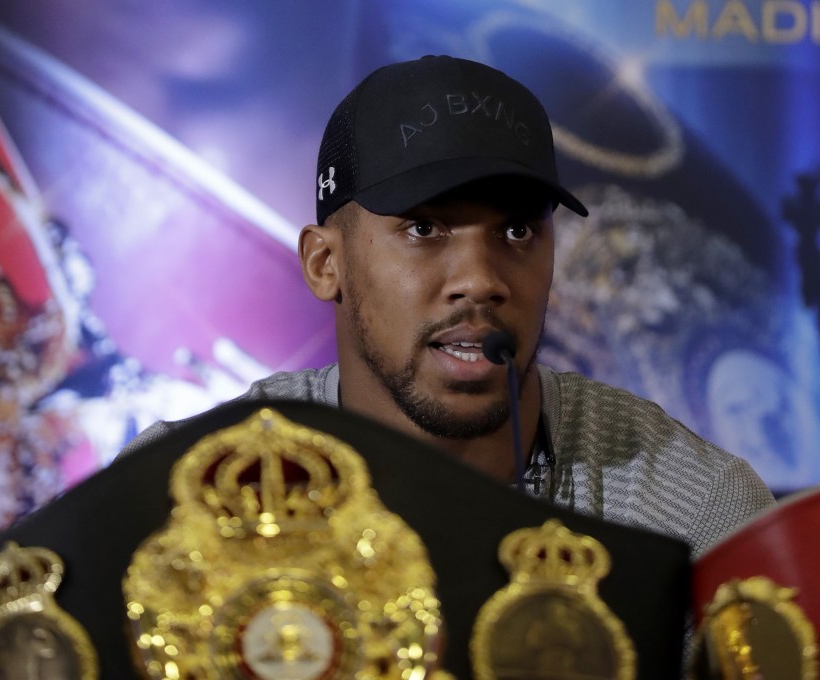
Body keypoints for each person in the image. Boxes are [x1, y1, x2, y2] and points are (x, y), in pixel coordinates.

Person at [124, 55, 775, 557]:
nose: (481, 280)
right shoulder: (178, 497)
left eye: (518, 231)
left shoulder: (686, 511)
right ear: (327, 265)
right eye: (424, 229)